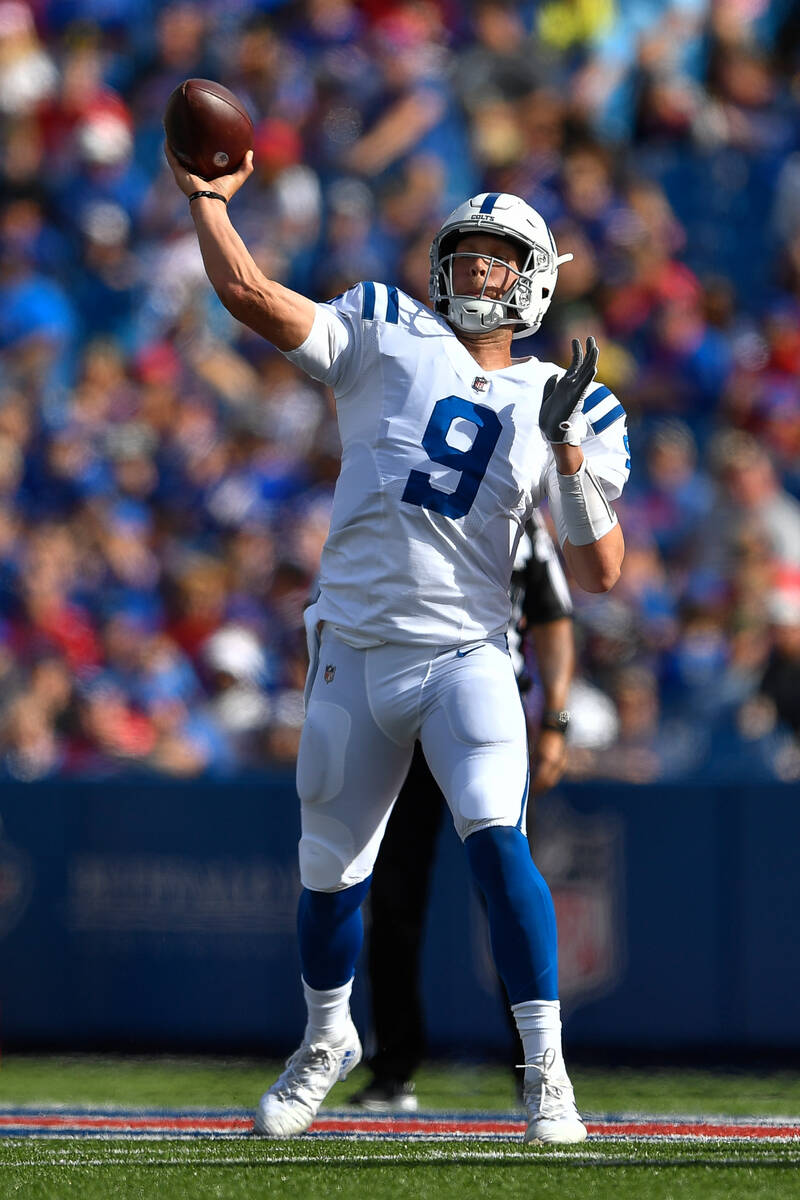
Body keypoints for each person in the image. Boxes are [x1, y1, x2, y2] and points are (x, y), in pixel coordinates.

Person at [165, 145, 628, 1144]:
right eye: (464, 254)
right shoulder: (383, 330)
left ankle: (546, 1071)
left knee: (497, 841)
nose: (474, 271)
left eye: (497, 258)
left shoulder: (564, 395)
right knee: (328, 874)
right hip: (352, 648)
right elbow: (246, 293)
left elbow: (598, 575)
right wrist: (206, 200)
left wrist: (565, 453)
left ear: (533, 278)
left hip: (467, 653)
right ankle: (327, 1039)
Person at [350, 511, 575, 1112]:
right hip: (400, 721)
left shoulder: (519, 519)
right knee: (393, 897)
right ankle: (393, 1065)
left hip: (484, 717)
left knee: (505, 882)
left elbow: (553, 619)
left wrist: (554, 720)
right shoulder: (400, 501)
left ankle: (537, 1068)